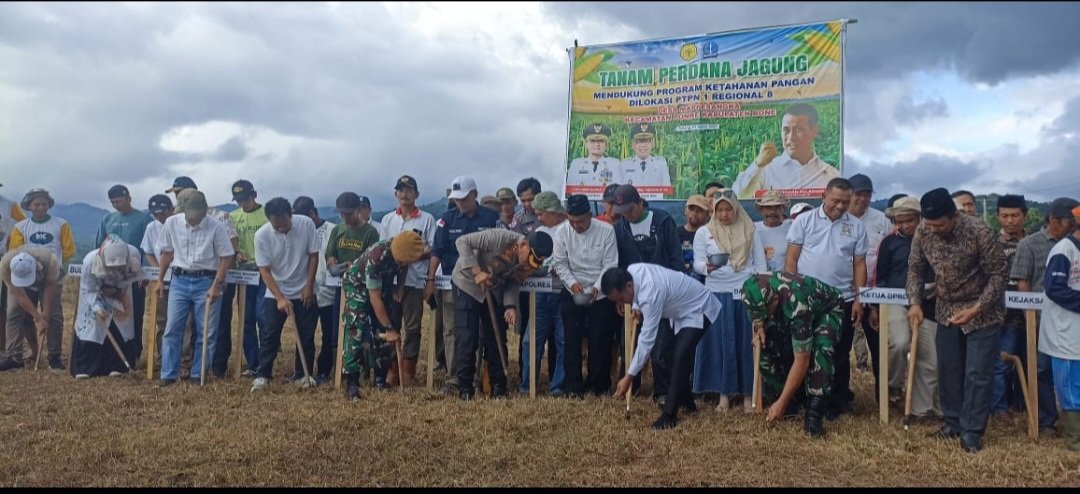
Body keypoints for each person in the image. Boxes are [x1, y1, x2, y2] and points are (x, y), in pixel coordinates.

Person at [907, 187, 1007, 453]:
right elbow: (915, 268)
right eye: (929, 224)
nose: (933, 229)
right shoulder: (923, 230)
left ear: (953, 217)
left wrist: (977, 308)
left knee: (977, 373)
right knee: (948, 369)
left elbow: (999, 275)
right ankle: (953, 423)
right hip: (947, 309)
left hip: (982, 311)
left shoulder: (979, 231)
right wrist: (915, 303)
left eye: (939, 224)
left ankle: (972, 431)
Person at [785, 178, 868, 420]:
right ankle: (799, 399)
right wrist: (792, 290)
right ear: (824, 196)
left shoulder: (856, 226)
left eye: (845, 201)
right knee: (802, 350)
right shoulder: (804, 221)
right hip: (806, 296)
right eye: (835, 201)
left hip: (841, 297)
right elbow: (792, 258)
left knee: (839, 352)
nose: (840, 206)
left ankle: (836, 402)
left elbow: (860, 263)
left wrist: (859, 299)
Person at [606, 264, 722, 430]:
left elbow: (646, 341)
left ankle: (670, 415)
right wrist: (636, 306)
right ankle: (688, 403)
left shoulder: (650, 295)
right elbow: (639, 294)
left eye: (620, 298)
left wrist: (629, 377)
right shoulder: (631, 271)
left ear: (628, 286)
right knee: (671, 356)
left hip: (698, 307)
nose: (621, 303)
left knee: (680, 357)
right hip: (680, 310)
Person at [451, 228, 553, 399]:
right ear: (522, 245)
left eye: (534, 263)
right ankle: (465, 387)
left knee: (496, 335)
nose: (528, 265)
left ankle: (499, 386)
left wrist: (510, 306)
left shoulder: (527, 264)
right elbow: (462, 241)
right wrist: (477, 271)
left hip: (494, 290)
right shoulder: (499, 238)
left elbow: (513, 282)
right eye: (529, 259)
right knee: (467, 336)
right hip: (467, 284)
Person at [742, 271, 844, 438]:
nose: (761, 316)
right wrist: (759, 328)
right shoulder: (754, 290)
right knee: (766, 348)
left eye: (764, 313)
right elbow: (757, 316)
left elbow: (802, 360)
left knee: (821, 352)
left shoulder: (798, 305)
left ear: (774, 300)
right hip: (790, 307)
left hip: (827, 310)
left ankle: (814, 414)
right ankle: (790, 401)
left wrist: (781, 403)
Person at [692, 189, 767, 412]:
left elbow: (761, 265)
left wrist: (760, 295)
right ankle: (722, 394)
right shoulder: (705, 233)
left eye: (728, 210)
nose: (725, 214)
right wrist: (707, 267)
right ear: (714, 211)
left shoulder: (750, 229)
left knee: (746, 343)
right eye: (720, 210)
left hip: (745, 292)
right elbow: (697, 264)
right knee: (721, 343)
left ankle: (747, 394)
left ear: (736, 210)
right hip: (717, 292)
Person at [1011, 197, 1080, 436]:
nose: (1072, 226)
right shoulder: (1039, 246)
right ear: (1055, 220)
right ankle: (1048, 421)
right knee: (1045, 372)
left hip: (1071, 323)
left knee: (1071, 376)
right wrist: (1028, 317)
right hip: (1045, 321)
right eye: (1070, 222)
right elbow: (1029, 284)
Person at [426, 176, 499, 395]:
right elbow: (436, 252)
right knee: (452, 331)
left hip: (483, 285)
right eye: (456, 199)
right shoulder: (447, 220)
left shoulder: (490, 217)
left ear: (475, 195)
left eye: (464, 199)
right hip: (452, 284)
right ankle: (454, 378)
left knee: (477, 332)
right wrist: (430, 281)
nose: (460, 203)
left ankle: (474, 378)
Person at [612, 184, 684, 404]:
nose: (626, 215)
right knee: (631, 343)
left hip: (662, 295)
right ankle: (630, 386)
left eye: (630, 209)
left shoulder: (663, 222)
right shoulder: (620, 228)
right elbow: (620, 264)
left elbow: (675, 258)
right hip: (631, 295)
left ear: (641, 202)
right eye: (622, 211)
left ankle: (662, 390)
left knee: (661, 346)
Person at [156, 189, 234, 387]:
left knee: (206, 332)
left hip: (207, 280)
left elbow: (226, 256)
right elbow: (167, 252)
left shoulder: (216, 226)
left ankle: (197, 375)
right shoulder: (172, 223)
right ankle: (168, 374)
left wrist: (217, 285)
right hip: (179, 280)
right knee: (172, 328)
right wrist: (159, 279)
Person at [872, 196, 941, 419]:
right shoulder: (889, 243)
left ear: (919, 218)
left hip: (927, 304)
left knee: (930, 359)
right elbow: (880, 277)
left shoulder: (935, 240)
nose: (903, 225)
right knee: (900, 342)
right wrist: (875, 306)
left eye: (909, 220)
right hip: (895, 301)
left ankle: (921, 408)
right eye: (898, 221)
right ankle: (892, 385)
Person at [341, 231, 427, 400]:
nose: (402, 263)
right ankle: (352, 382)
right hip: (357, 285)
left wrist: (400, 287)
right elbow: (374, 298)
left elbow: (404, 267)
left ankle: (380, 378)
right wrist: (389, 328)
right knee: (357, 328)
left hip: (382, 285)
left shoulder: (404, 249)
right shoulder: (377, 256)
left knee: (382, 331)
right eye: (401, 260)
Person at [249, 198, 320, 392]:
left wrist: (308, 285)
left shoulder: (306, 224)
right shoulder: (262, 235)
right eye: (276, 225)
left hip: (305, 289)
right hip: (276, 291)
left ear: (291, 215)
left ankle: (302, 375)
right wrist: (280, 298)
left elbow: (314, 255)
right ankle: (263, 375)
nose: (281, 228)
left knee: (306, 334)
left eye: (284, 224)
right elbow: (264, 270)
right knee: (270, 334)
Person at [553, 194, 619, 398]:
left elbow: (610, 264)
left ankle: (599, 385)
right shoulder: (562, 231)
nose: (576, 225)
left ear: (590, 215)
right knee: (571, 339)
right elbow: (560, 263)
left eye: (580, 221)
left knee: (600, 340)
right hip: (573, 289)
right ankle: (573, 386)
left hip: (600, 292)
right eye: (571, 221)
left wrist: (597, 288)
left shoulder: (606, 231)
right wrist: (572, 284)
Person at [380, 175, 438, 387]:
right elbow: (384, 248)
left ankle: (408, 370)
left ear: (417, 194)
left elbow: (432, 249)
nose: (404, 194)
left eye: (409, 190)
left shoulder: (427, 219)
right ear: (395, 194)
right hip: (392, 281)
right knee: (391, 325)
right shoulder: (388, 220)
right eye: (400, 190)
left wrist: (411, 254)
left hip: (414, 281)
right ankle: (392, 369)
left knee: (413, 327)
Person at [213, 179, 267, 378]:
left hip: (263, 271)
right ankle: (252, 362)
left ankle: (265, 361)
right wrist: (235, 254)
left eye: (245, 199)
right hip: (242, 273)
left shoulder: (267, 214)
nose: (243, 204)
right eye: (238, 201)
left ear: (254, 195)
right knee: (246, 317)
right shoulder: (233, 217)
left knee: (263, 316)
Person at [94, 185, 153, 367]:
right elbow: (99, 246)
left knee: (134, 313)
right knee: (111, 312)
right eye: (112, 202)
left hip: (134, 275)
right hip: (111, 276)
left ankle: (133, 352)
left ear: (128, 198)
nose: (115, 205)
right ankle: (111, 352)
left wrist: (146, 271)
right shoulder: (108, 219)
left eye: (118, 201)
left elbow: (149, 248)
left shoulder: (143, 219)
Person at [730, 103, 839, 198]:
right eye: (786, 130)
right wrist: (757, 164)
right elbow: (737, 195)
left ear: (814, 131)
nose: (791, 137)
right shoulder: (766, 170)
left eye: (798, 129)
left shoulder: (830, 175)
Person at [70, 235, 143, 378]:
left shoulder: (134, 255)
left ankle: (118, 366)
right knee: (92, 328)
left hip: (121, 292)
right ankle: (86, 367)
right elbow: (88, 289)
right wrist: (97, 307)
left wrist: (116, 292)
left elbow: (131, 279)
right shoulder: (90, 261)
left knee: (121, 327)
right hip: (96, 293)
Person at [519, 191, 568, 396]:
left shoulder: (568, 229)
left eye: (541, 214)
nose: (538, 218)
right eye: (537, 214)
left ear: (553, 211)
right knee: (531, 340)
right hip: (539, 292)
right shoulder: (539, 232)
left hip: (563, 292)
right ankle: (527, 385)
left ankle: (558, 386)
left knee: (563, 339)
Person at [847, 174, 893, 390]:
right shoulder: (839, 218)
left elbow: (888, 258)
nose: (863, 199)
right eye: (858, 194)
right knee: (840, 348)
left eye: (867, 194)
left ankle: (883, 395)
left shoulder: (881, 220)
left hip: (874, 295)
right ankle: (840, 398)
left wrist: (875, 302)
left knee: (879, 347)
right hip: (845, 294)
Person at [141, 194, 195, 376]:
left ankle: (185, 361)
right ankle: (163, 359)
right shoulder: (151, 228)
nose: (159, 217)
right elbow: (148, 252)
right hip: (162, 280)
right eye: (155, 214)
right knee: (163, 321)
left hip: (183, 277)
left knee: (185, 322)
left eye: (162, 212)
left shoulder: (181, 224)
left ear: (171, 209)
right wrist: (159, 272)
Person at [1040, 205, 1080, 451]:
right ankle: (1075, 438)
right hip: (1065, 330)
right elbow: (1054, 289)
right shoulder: (1063, 250)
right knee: (1070, 385)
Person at [990, 194, 1030, 418]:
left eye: (1015, 215)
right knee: (1002, 363)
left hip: (1033, 314)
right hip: (1005, 315)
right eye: (1004, 216)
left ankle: (1023, 404)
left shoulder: (1033, 242)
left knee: (1028, 362)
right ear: (997, 217)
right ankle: (999, 408)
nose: (1010, 220)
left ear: (1024, 215)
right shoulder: (992, 244)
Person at [291, 196, 338, 384]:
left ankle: (325, 371)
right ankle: (302, 371)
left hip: (329, 291)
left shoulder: (333, 230)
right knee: (305, 333)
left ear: (312, 213)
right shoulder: (298, 231)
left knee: (329, 334)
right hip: (306, 291)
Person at [0, 246, 62, 372]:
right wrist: (38, 318)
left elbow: (50, 287)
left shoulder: (50, 261)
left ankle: (54, 356)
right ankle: (14, 357)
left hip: (47, 281)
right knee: (12, 313)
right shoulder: (5, 266)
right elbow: (20, 296)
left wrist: (45, 314)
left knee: (54, 315)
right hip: (18, 289)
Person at [7, 188, 76, 266]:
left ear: (48, 205)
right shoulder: (20, 227)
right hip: (29, 271)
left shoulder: (62, 224)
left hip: (54, 271)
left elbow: (69, 250)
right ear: (29, 206)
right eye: (36, 205)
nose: (41, 207)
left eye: (44, 204)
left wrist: (56, 262)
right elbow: (15, 252)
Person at [566, 123, 625, 191]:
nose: (597, 144)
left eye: (601, 141)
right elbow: (570, 190)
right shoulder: (576, 164)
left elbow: (619, 190)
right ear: (586, 144)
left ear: (606, 145)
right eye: (593, 141)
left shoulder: (615, 164)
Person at [620, 123, 671, 197]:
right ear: (633, 144)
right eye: (639, 141)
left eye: (647, 141)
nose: (643, 145)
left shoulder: (661, 164)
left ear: (653, 143)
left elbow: (667, 192)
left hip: (654, 207)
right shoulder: (624, 165)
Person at [754, 189, 792, 272]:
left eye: (777, 207)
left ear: (784, 209)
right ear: (761, 210)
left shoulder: (792, 230)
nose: (772, 212)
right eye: (768, 207)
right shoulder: (752, 230)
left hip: (782, 281)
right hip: (756, 281)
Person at [679, 194, 710, 282]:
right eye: (691, 209)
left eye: (699, 210)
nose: (694, 213)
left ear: (707, 215)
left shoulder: (710, 235)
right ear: (685, 210)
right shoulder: (674, 233)